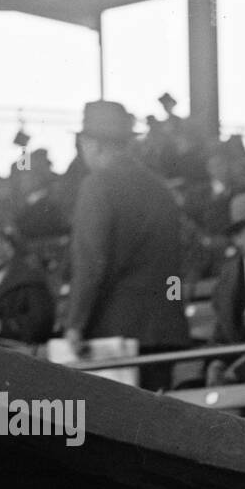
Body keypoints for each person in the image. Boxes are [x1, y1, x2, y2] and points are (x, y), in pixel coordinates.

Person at [64, 100, 190, 390]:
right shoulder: (160, 188)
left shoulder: (97, 185)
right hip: (163, 331)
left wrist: (75, 323)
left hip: (116, 334)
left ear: (91, 144)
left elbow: (92, 263)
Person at [207, 192, 245, 385]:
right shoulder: (226, 278)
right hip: (238, 379)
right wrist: (216, 362)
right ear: (237, 238)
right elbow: (222, 336)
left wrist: (240, 370)